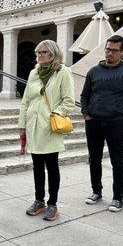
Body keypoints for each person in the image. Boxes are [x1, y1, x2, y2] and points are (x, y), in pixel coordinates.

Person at [80, 34, 123, 212]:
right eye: (108, 49)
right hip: (93, 121)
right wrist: (86, 113)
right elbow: (84, 95)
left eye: (115, 50)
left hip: (115, 121)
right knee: (94, 159)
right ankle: (96, 191)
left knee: (117, 160)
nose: (110, 53)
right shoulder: (93, 71)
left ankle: (117, 198)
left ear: (122, 52)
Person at [18, 40, 75, 221]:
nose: (39, 55)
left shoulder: (63, 72)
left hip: (49, 126)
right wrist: (22, 124)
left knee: (51, 166)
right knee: (37, 167)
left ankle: (53, 204)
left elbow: (68, 101)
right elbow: (26, 100)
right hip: (33, 126)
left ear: (53, 53)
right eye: (38, 53)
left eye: (43, 52)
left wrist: (54, 114)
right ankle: (39, 200)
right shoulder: (34, 73)